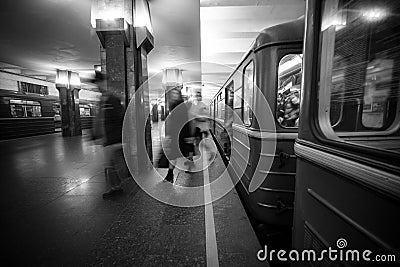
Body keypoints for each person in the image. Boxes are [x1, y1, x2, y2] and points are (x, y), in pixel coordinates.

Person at [92, 73, 125, 198]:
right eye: (97, 83)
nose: (98, 86)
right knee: (111, 164)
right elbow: (100, 119)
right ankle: (116, 186)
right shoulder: (102, 100)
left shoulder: (113, 100)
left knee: (111, 164)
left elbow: (120, 118)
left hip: (113, 139)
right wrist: (95, 135)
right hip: (108, 139)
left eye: (100, 83)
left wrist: (118, 137)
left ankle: (115, 188)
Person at [163, 88, 192, 183]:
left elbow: (186, 121)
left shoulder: (182, 106)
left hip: (183, 133)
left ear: (179, 95)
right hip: (175, 134)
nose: (174, 95)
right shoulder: (172, 106)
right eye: (172, 94)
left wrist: (188, 135)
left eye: (176, 94)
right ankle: (170, 174)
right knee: (173, 155)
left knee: (186, 152)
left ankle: (190, 165)